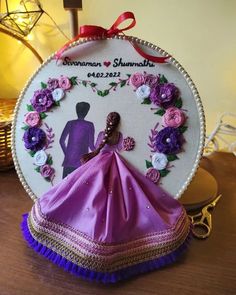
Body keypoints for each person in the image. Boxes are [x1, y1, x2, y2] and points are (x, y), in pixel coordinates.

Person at [22, 112, 191, 283]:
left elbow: (97, 145)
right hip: (117, 165)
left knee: (83, 190)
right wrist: (126, 145)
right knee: (120, 193)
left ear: (108, 122)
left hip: (99, 163)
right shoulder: (117, 135)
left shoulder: (103, 134)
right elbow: (119, 148)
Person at [59, 102, 95, 178]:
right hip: (82, 162)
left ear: (76, 110)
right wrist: (99, 150)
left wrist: (67, 154)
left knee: (63, 186)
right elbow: (91, 146)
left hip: (68, 161)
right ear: (87, 112)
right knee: (79, 186)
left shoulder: (70, 123)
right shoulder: (89, 125)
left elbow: (61, 141)